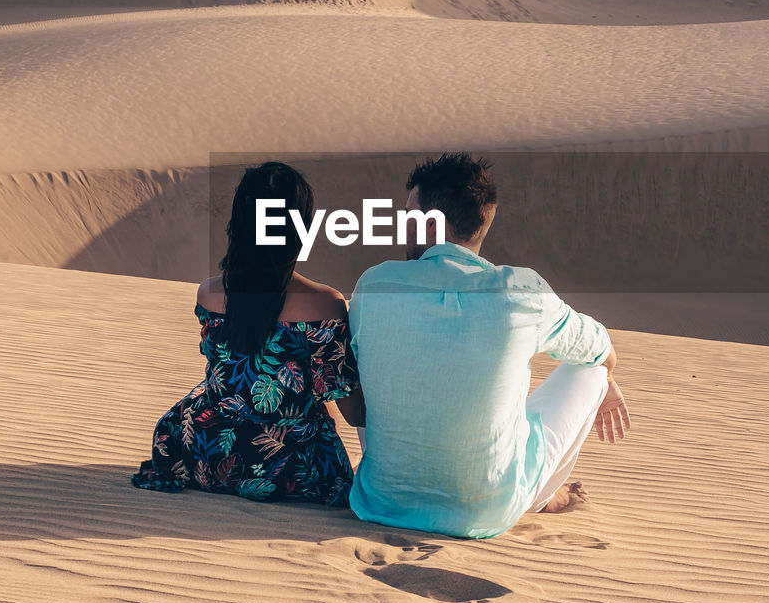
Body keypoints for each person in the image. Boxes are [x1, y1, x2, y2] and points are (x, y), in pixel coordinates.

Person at [347, 153, 630, 539]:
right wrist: (607, 375)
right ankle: (542, 496)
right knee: (592, 371)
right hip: (484, 512)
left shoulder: (374, 285)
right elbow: (600, 347)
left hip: (382, 501)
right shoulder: (522, 292)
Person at [132, 162, 364, 506]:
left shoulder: (208, 294)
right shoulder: (324, 305)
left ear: (237, 225)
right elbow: (354, 412)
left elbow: (233, 380)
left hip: (206, 453)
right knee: (322, 420)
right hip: (286, 466)